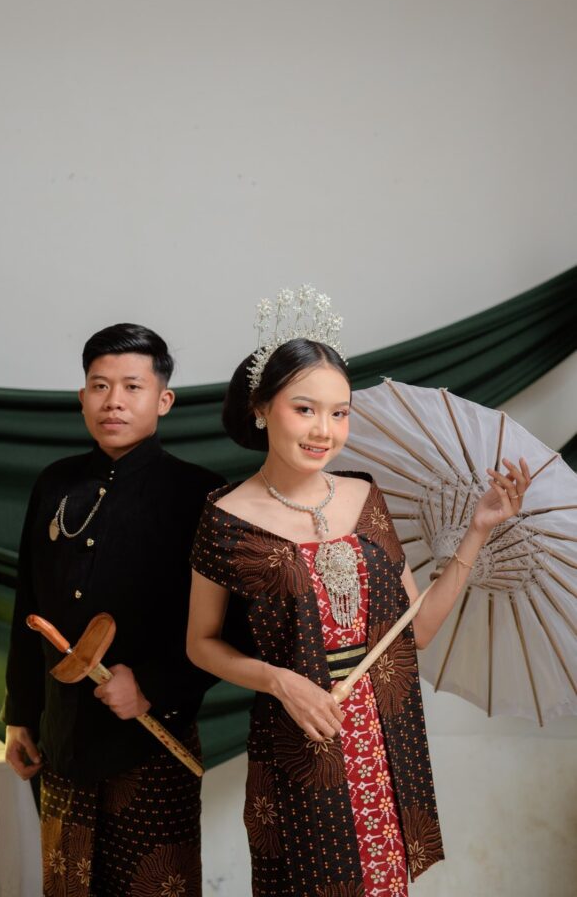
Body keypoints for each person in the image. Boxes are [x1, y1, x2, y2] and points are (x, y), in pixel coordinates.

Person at [187, 289, 530, 897]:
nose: (325, 431)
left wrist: (478, 530)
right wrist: (280, 681)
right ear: (262, 408)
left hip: (384, 733)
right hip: (300, 738)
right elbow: (200, 644)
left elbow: (415, 632)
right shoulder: (225, 519)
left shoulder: (365, 496)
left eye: (340, 413)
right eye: (305, 409)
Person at [3, 322, 224, 896]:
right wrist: (21, 714)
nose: (114, 401)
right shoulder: (54, 483)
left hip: (151, 739)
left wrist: (151, 685)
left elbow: (230, 629)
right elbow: (29, 603)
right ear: (83, 398)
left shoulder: (200, 494)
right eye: (100, 386)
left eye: (132, 387)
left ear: (164, 400)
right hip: (62, 736)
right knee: (68, 886)